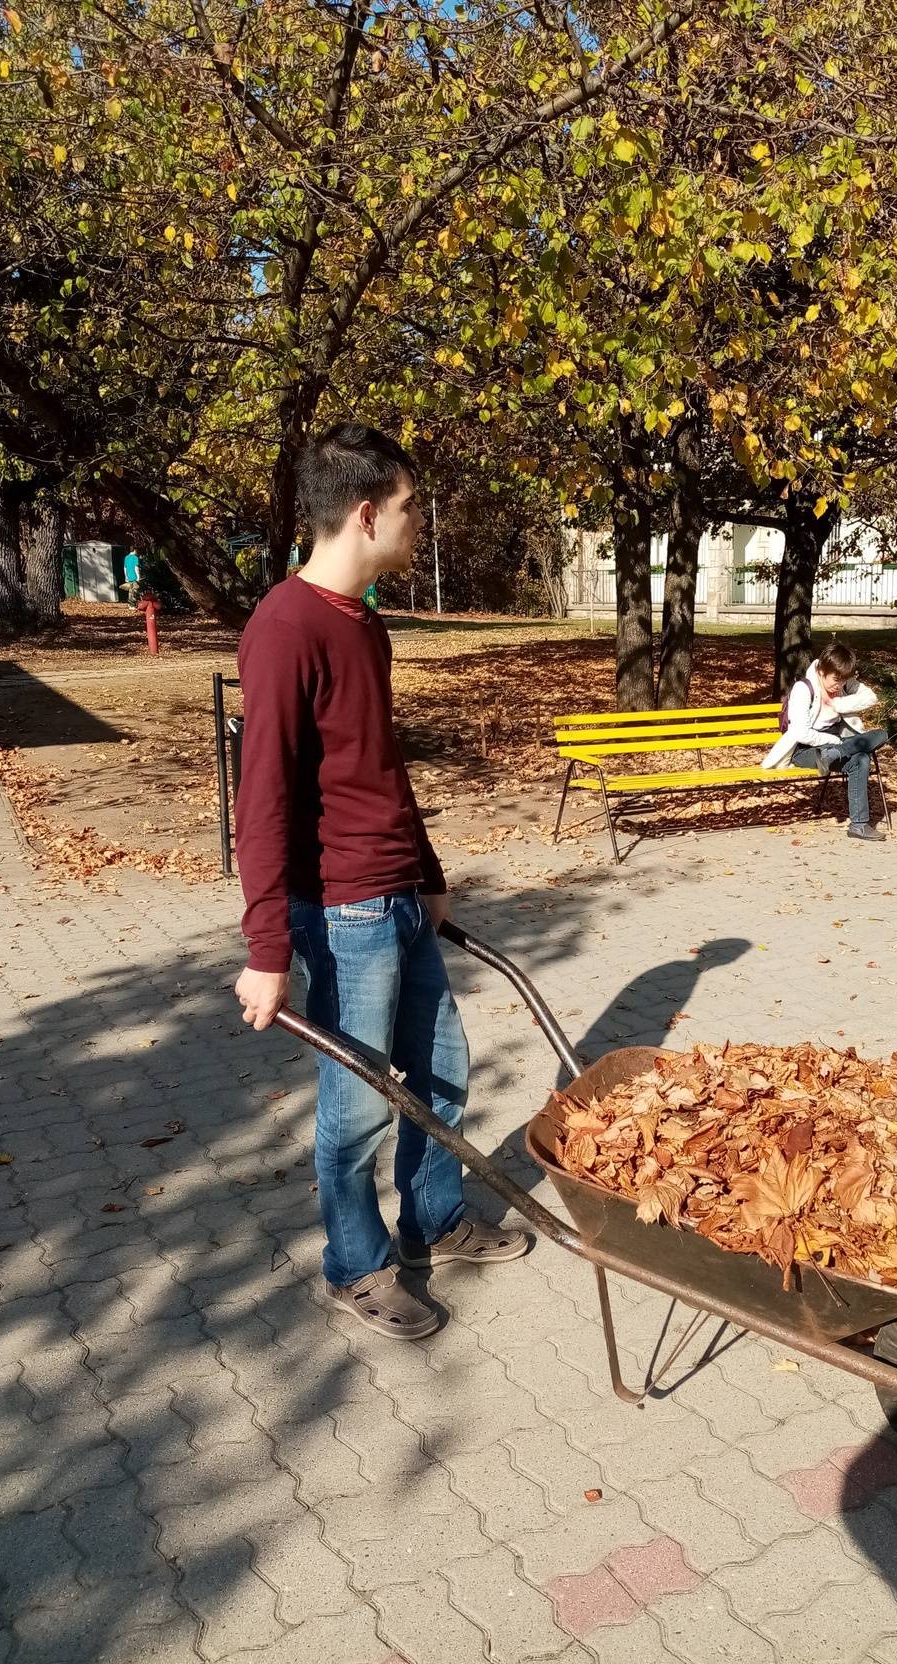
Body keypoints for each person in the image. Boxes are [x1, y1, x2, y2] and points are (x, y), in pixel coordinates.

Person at [233, 422, 529, 1341]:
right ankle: (356, 1266)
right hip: (342, 910)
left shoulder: (364, 624)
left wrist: (428, 872)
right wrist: (267, 950)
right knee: (358, 1104)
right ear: (366, 513)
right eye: (410, 507)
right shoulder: (285, 628)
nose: (419, 524)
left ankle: (435, 1219)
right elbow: (262, 798)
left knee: (442, 1072)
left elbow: (380, 767)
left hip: (397, 893)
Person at [761, 641, 890, 841]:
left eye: (843, 680)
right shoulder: (803, 689)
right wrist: (834, 740)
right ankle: (859, 823)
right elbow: (801, 733)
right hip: (806, 750)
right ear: (821, 671)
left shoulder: (842, 683)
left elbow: (871, 697)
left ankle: (858, 826)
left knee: (881, 734)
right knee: (861, 758)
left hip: (836, 746)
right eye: (836, 679)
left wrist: (839, 703)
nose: (839, 685)